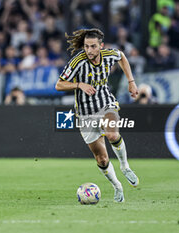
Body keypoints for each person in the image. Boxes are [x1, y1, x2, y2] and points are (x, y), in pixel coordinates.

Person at [55, 28, 139, 202]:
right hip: (85, 114)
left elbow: (122, 57)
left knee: (112, 133)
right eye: (86, 46)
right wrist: (79, 85)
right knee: (101, 158)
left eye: (93, 46)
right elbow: (59, 84)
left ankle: (125, 167)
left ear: (101, 46)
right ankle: (117, 186)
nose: (89, 50)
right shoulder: (78, 61)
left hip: (106, 103)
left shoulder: (109, 54)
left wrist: (131, 81)